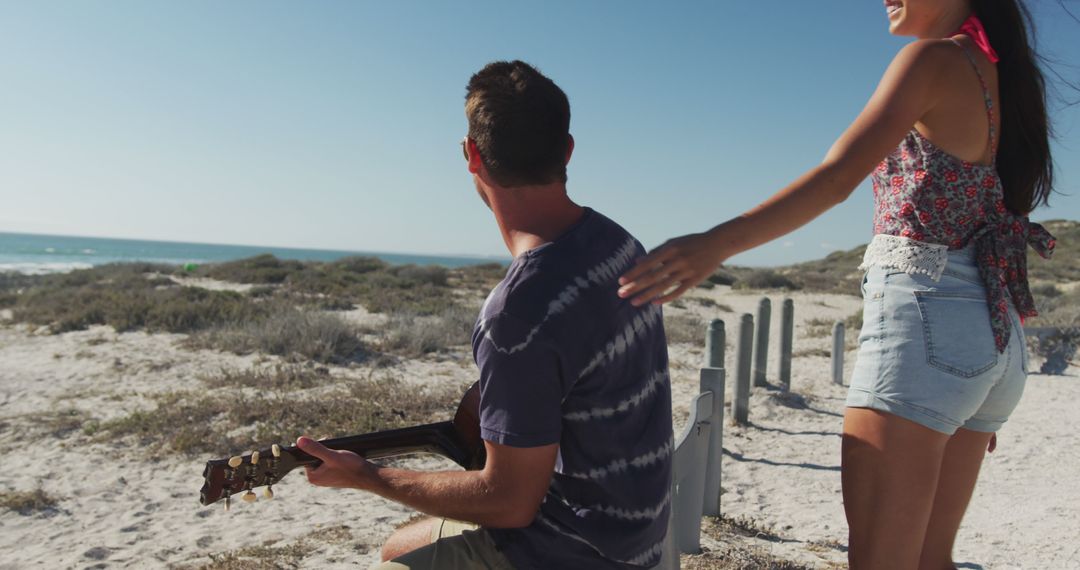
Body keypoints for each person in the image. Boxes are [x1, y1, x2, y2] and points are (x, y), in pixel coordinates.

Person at [616, 1, 1056, 568]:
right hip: (993, 340)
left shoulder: (931, 61)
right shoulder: (1005, 75)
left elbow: (837, 177)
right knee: (931, 561)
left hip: (929, 334)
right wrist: (967, 387)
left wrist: (715, 244)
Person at [298, 60, 674, 570]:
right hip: (637, 533)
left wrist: (366, 476)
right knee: (398, 547)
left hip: (576, 553)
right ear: (567, 151)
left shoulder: (517, 313)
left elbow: (509, 503)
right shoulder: (619, 244)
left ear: (472, 155)